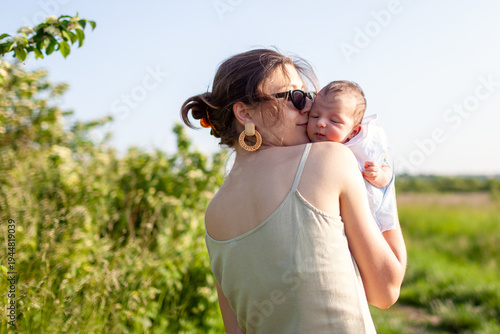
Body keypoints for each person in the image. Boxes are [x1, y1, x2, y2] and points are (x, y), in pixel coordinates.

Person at [181, 49, 406, 333]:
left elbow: (235, 329)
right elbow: (385, 290)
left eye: (308, 96)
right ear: (245, 113)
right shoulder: (329, 158)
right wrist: (385, 187)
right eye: (295, 97)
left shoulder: (214, 213)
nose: (308, 107)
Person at [307, 81, 398, 232]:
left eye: (334, 120)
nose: (321, 123)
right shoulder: (304, 145)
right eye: (315, 116)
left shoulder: (363, 148)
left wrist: (378, 175)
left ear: (354, 132)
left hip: (365, 220)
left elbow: (387, 178)